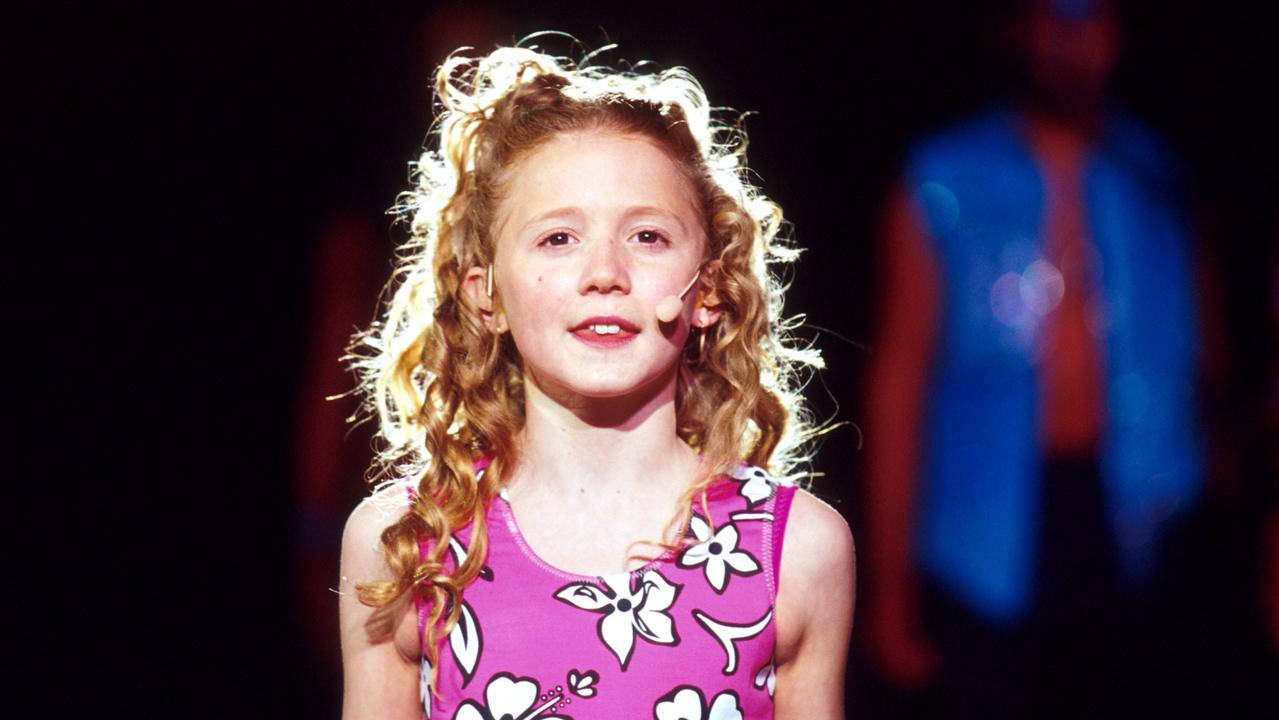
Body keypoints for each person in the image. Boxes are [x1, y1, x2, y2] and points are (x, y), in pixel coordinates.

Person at [337, 44, 854, 720]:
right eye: (558, 239)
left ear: (709, 290)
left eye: (646, 237)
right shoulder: (408, 542)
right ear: (485, 293)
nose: (603, 272)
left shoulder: (793, 552)